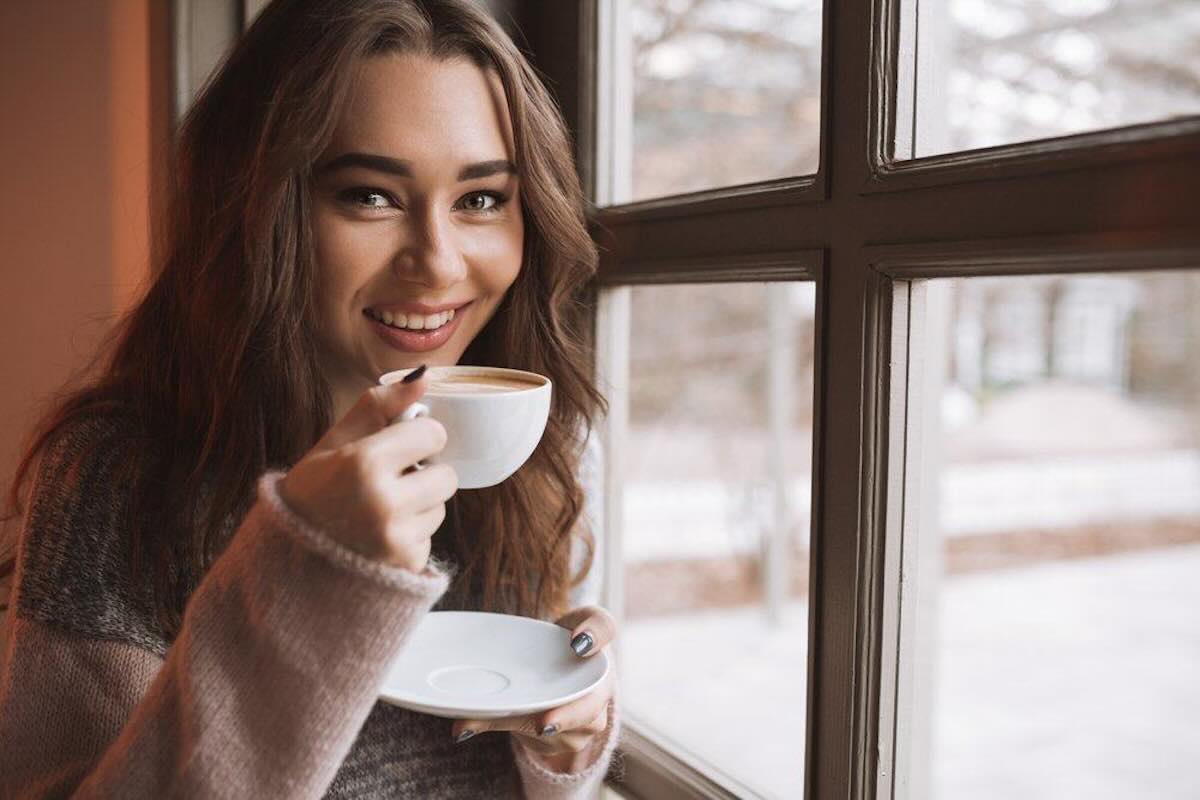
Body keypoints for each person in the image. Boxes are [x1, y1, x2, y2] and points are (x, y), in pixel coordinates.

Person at [0, 0, 619, 796]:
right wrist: (304, 577)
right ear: (259, 210)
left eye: (481, 199)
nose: (437, 264)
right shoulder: (119, 475)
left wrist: (567, 737)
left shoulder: (545, 447)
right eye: (369, 195)